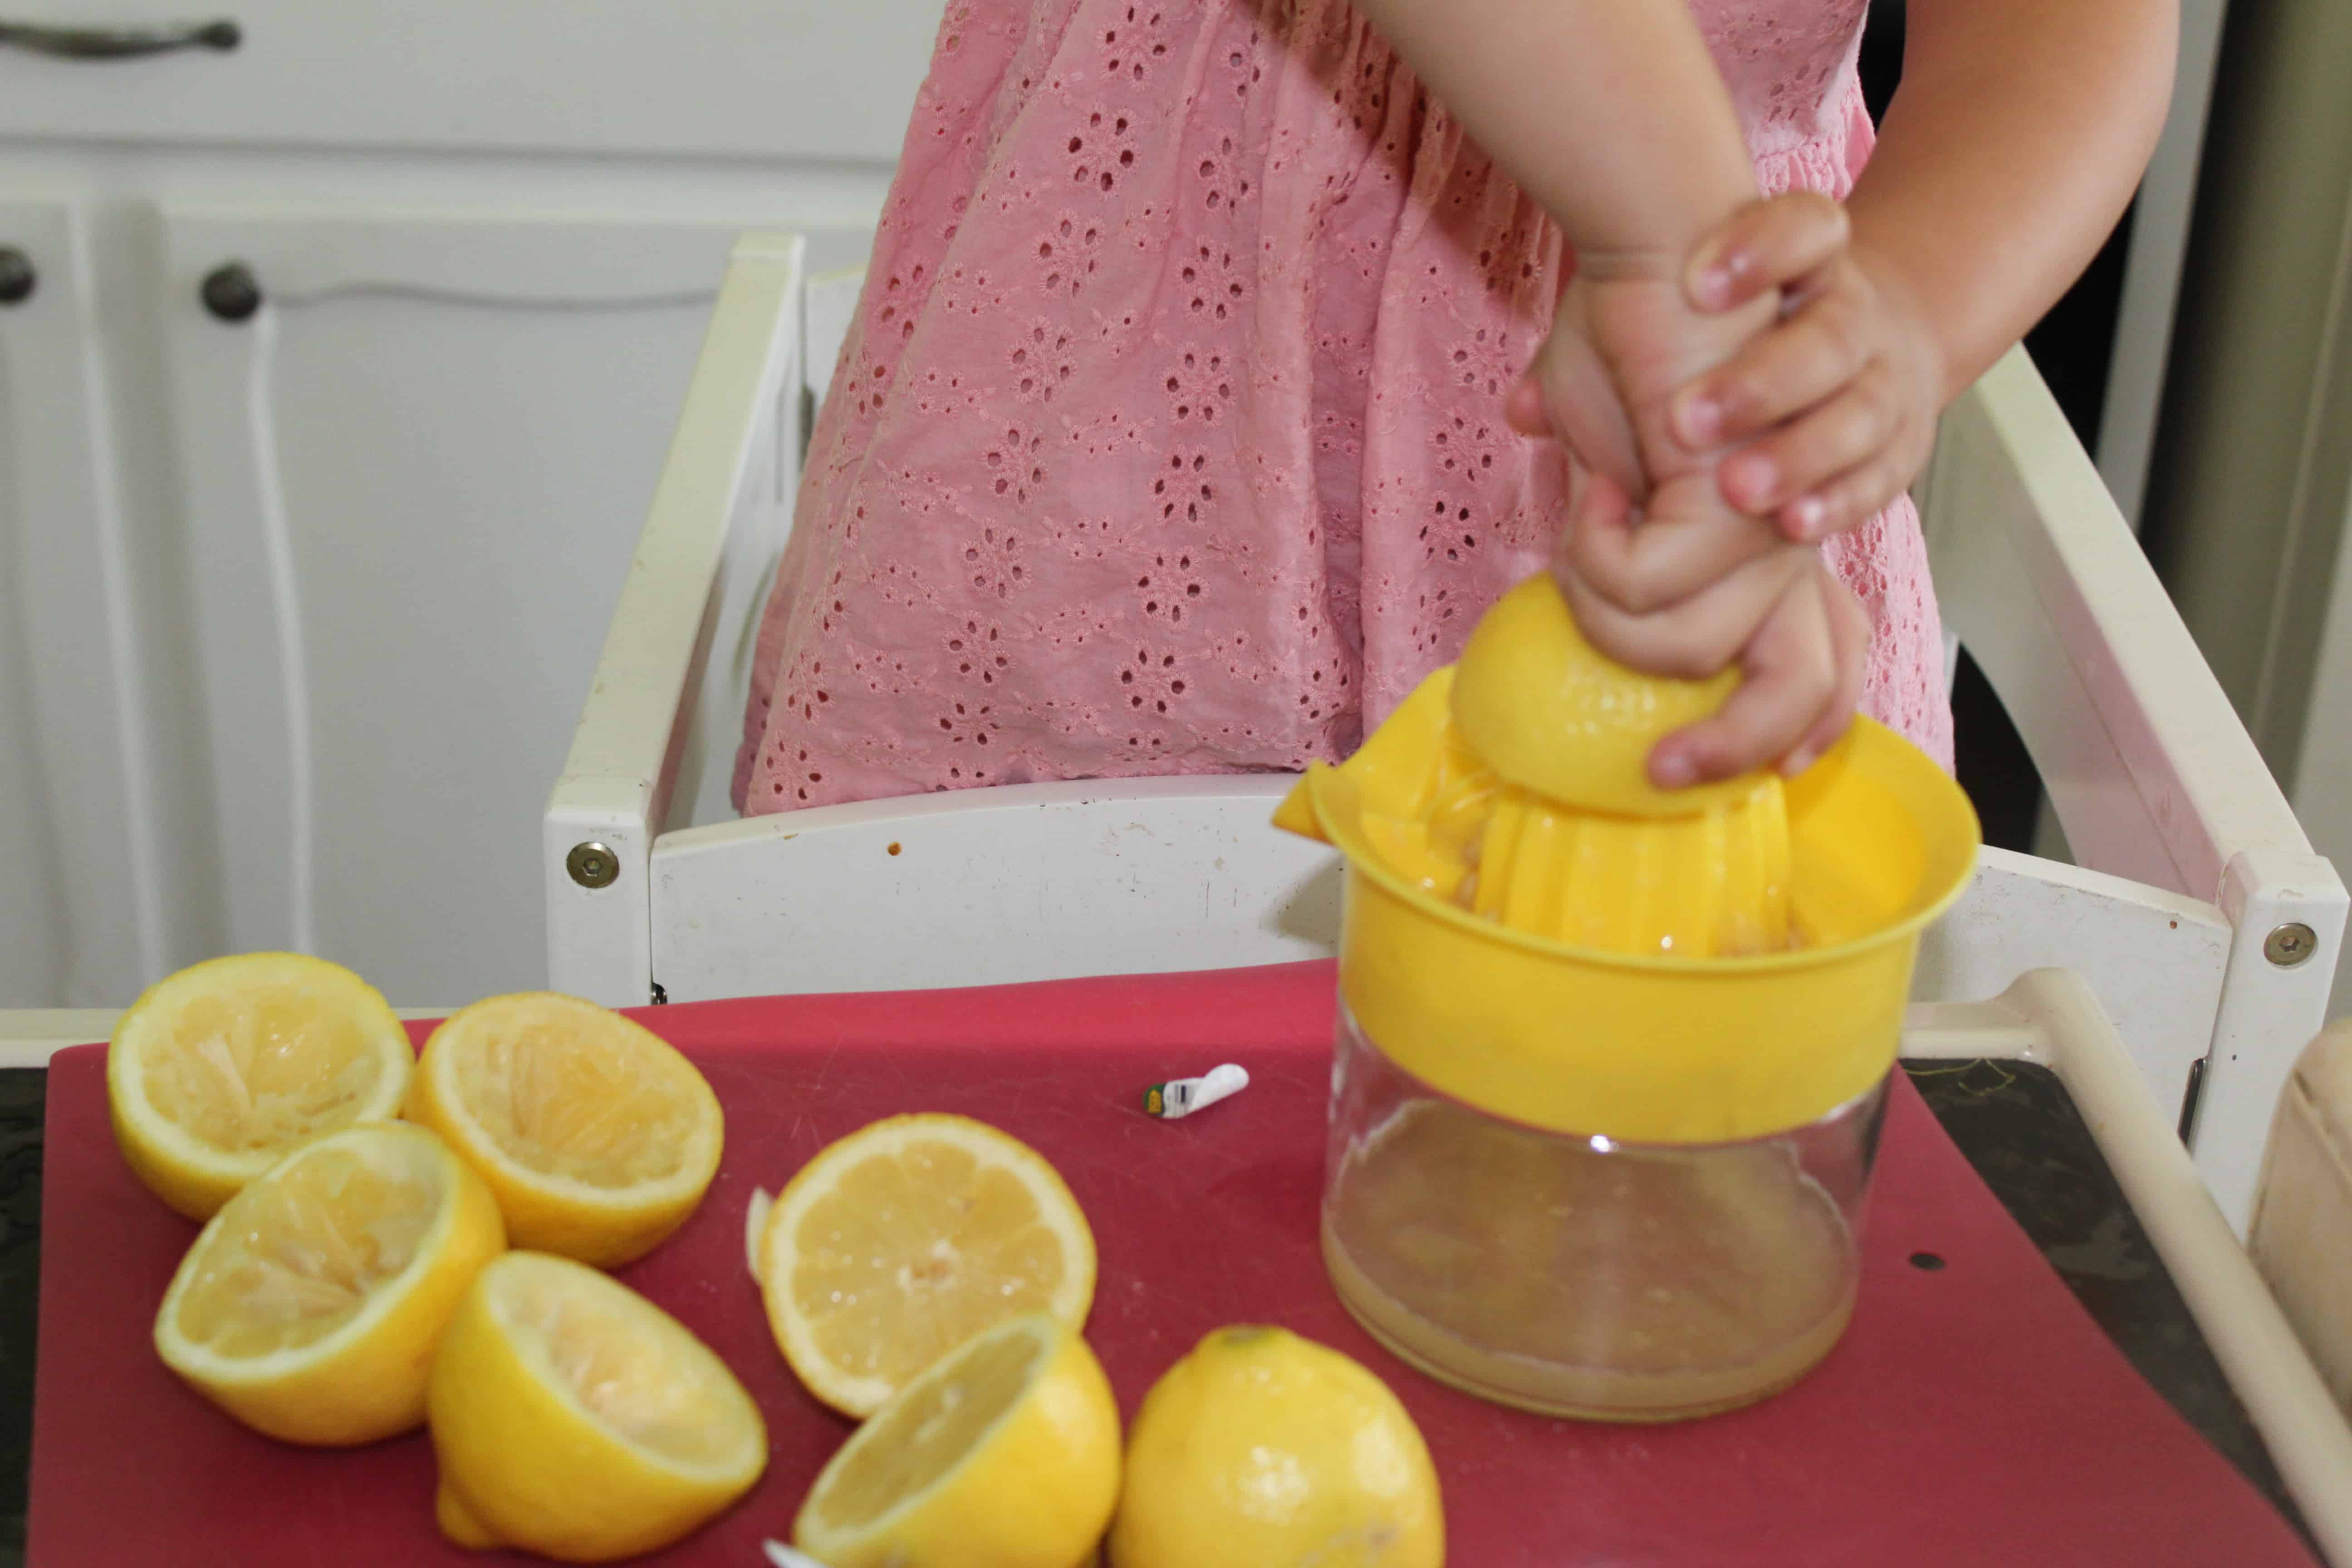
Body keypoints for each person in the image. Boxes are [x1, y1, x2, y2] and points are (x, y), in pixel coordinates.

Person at [735, 0, 2174, 816]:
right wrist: (1674, 254)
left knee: (1633, 1189)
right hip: (1126, 418)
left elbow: (2070, 29)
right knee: (1002, 1083)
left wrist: (1883, 329)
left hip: (1700, 409)